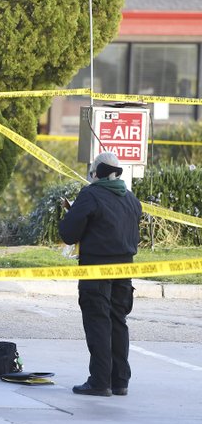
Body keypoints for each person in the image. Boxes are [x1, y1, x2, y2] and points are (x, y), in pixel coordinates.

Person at [58, 152, 142, 397]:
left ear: (97, 173)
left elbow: (68, 234)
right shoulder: (131, 198)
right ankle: (120, 381)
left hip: (96, 269)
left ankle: (99, 381)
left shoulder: (90, 194)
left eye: (92, 172)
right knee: (118, 321)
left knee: (98, 322)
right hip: (125, 269)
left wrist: (71, 214)